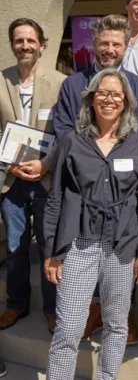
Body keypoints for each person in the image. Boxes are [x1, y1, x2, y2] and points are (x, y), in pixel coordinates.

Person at [43, 68, 138, 380]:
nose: (109, 99)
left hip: (121, 247)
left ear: (126, 103)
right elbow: (54, 199)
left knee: (117, 325)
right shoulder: (70, 143)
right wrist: (52, 251)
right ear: (91, 100)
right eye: (102, 93)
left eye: (116, 95)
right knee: (68, 329)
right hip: (78, 244)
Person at [54, 14, 138, 345]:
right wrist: (92, 163)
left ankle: (121, 315)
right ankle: (83, 314)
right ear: (93, 45)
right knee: (82, 254)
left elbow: (137, 134)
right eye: (104, 42)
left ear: (126, 47)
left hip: (123, 186)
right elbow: (65, 131)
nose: (109, 48)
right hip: (81, 186)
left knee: (122, 251)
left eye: (116, 43)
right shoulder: (72, 84)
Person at [0, 18, 66, 334]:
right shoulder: (0, 81)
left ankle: (53, 309)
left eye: (30, 40)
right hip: (11, 180)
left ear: (41, 44)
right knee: (15, 247)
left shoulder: (60, 83)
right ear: (12, 45)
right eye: (18, 40)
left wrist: (46, 164)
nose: (25, 46)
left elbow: (67, 134)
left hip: (45, 178)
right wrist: (8, 163)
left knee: (49, 247)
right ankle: (16, 304)